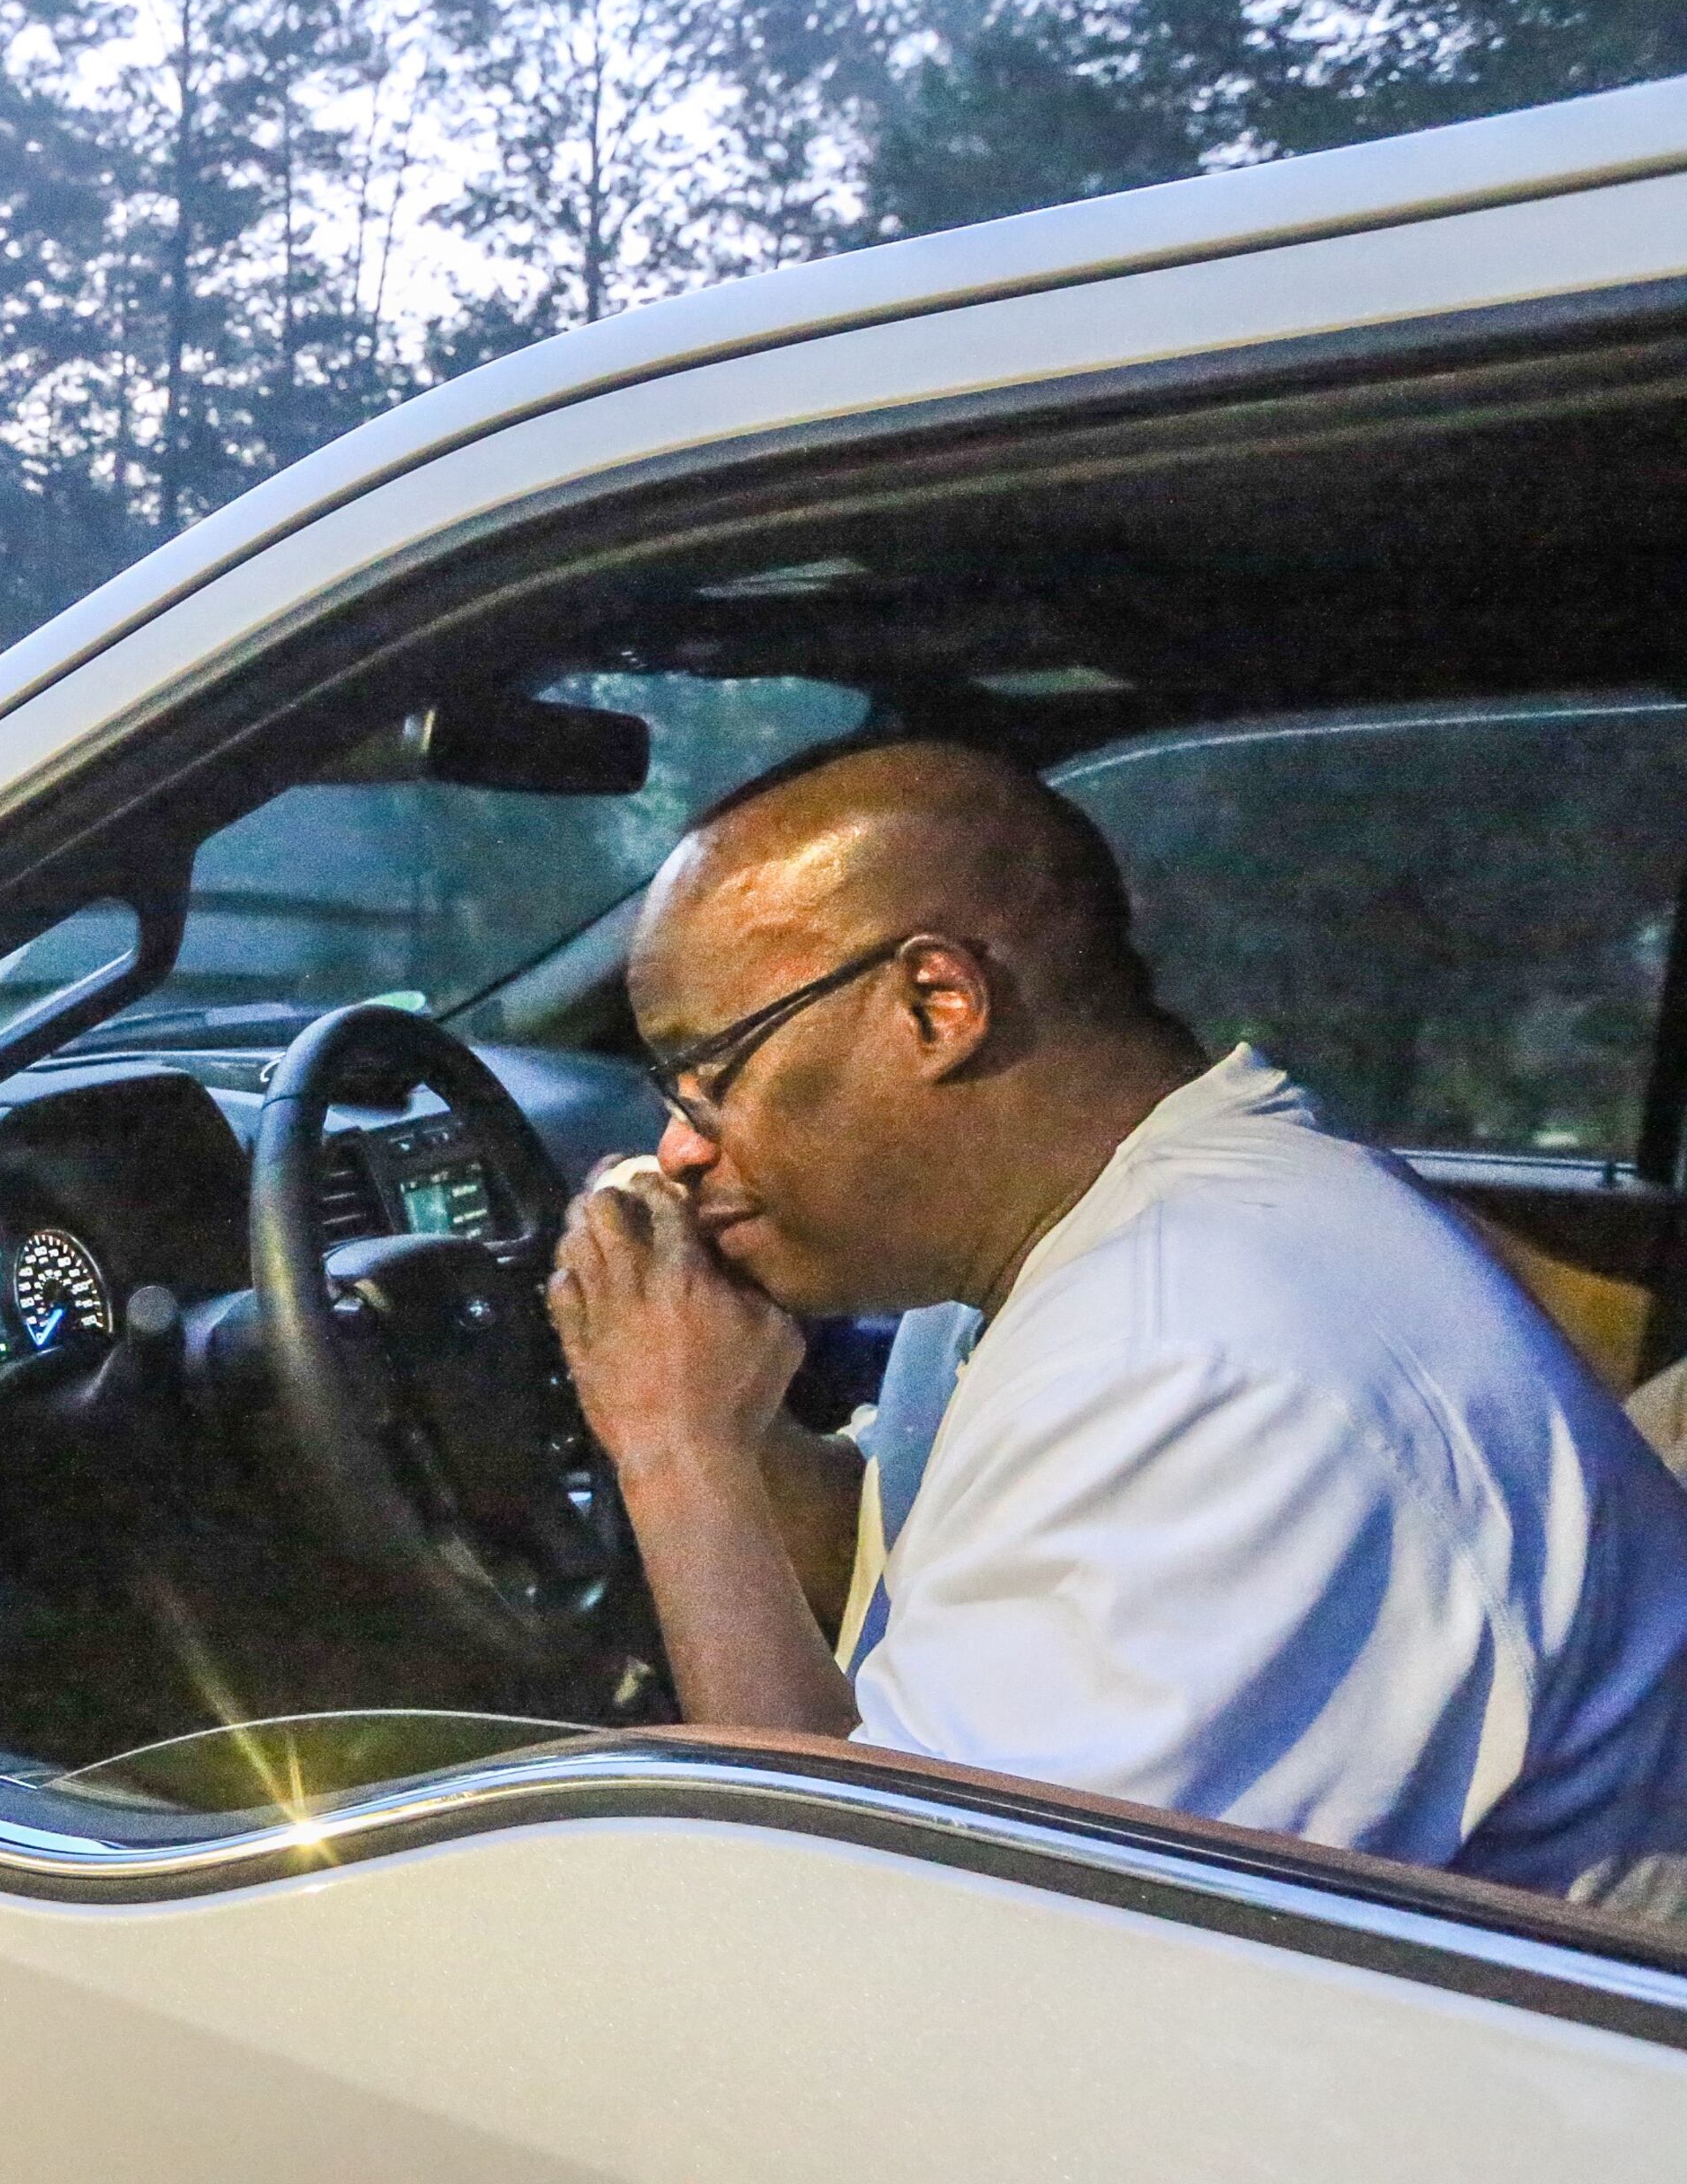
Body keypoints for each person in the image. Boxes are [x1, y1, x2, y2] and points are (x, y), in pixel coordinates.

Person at [544, 738, 1687, 1898]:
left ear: (937, 1005)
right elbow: (916, 1564)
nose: (679, 1149)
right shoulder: (1107, 1238)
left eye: (705, 1073)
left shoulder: (1194, 1367)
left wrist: (671, 1449)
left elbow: (870, 1935)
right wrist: (722, 1426)